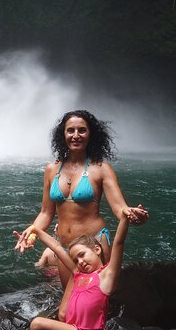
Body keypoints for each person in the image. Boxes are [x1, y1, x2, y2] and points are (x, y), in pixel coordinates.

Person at [14, 109, 148, 319]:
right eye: (70, 130)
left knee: (96, 303)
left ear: (91, 134)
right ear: (63, 135)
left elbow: (119, 207)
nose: (76, 135)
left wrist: (133, 214)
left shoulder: (101, 169)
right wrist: (31, 232)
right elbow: (45, 213)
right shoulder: (52, 169)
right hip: (65, 246)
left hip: (92, 244)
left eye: (82, 130)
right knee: (71, 306)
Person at [20, 215, 129, 330]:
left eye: (82, 255)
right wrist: (36, 230)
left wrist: (125, 219)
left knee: (37, 323)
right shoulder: (78, 275)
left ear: (97, 249)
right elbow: (56, 247)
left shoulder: (105, 277)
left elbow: (118, 244)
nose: (80, 262)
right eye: (76, 260)